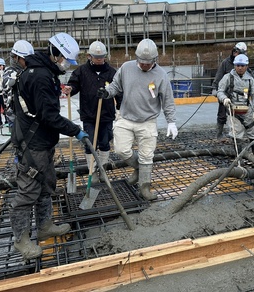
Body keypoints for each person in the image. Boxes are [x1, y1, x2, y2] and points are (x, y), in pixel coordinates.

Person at [9, 32, 89, 260]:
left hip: (42, 142)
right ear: (53, 53)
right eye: (64, 59)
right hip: (33, 145)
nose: (66, 64)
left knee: (46, 185)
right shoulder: (40, 76)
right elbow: (49, 116)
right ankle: (21, 240)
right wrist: (76, 130)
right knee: (28, 192)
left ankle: (44, 226)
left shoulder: (45, 73)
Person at [97, 38, 178, 201]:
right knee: (121, 150)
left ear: (155, 60)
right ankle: (140, 169)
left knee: (147, 155)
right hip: (126, 118)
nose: (144, 66)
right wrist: (106, 93)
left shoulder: (161, 75)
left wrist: (171, 121)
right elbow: (115, 86)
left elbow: (167, 100)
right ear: (137, 58)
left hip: (147, 121)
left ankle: (144, 187)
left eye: (148, 63)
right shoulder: (126, 68)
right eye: (141, 62)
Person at [63, 41, 122, 183]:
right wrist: (70, 88)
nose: (99, 59)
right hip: (89, 114)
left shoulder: (112, 72)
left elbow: (119, 90)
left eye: (101, 56)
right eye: (96, 57)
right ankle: (92, 170)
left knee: (105, 142)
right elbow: (74, 84)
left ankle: (102, 169)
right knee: (90, 143)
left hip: (106, 114)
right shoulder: (82, 71)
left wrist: (120, 107)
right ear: (90, 56)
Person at [216, 54, 254, 159]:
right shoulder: (228, 78)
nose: (240, 68)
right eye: (238, 65)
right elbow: (220, 91)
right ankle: (239, 161)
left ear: (246, 66)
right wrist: (224, 99)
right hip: (233, 111)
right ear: (234, 66)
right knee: (237, 137)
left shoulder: (250, 80)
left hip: (247, 110)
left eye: (242, 65)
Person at [211, 42, 247, 139]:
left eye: (238, 52)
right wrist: (215, 88)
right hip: (225, 93)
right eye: (234, 51)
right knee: (222, 114)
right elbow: (219, 75)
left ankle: (236, 134)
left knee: (240, 115)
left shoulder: (244, 64)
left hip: (239, 95)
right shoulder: (226, 63)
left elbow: (249, 78)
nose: (235, 53)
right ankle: (219, 134)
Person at [3, 40, 35, 133]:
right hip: (14, 114)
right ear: (15, 58)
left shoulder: (29, 71)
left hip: (28, 114)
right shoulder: (10, 72)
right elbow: (7, 84)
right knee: (18, 140)